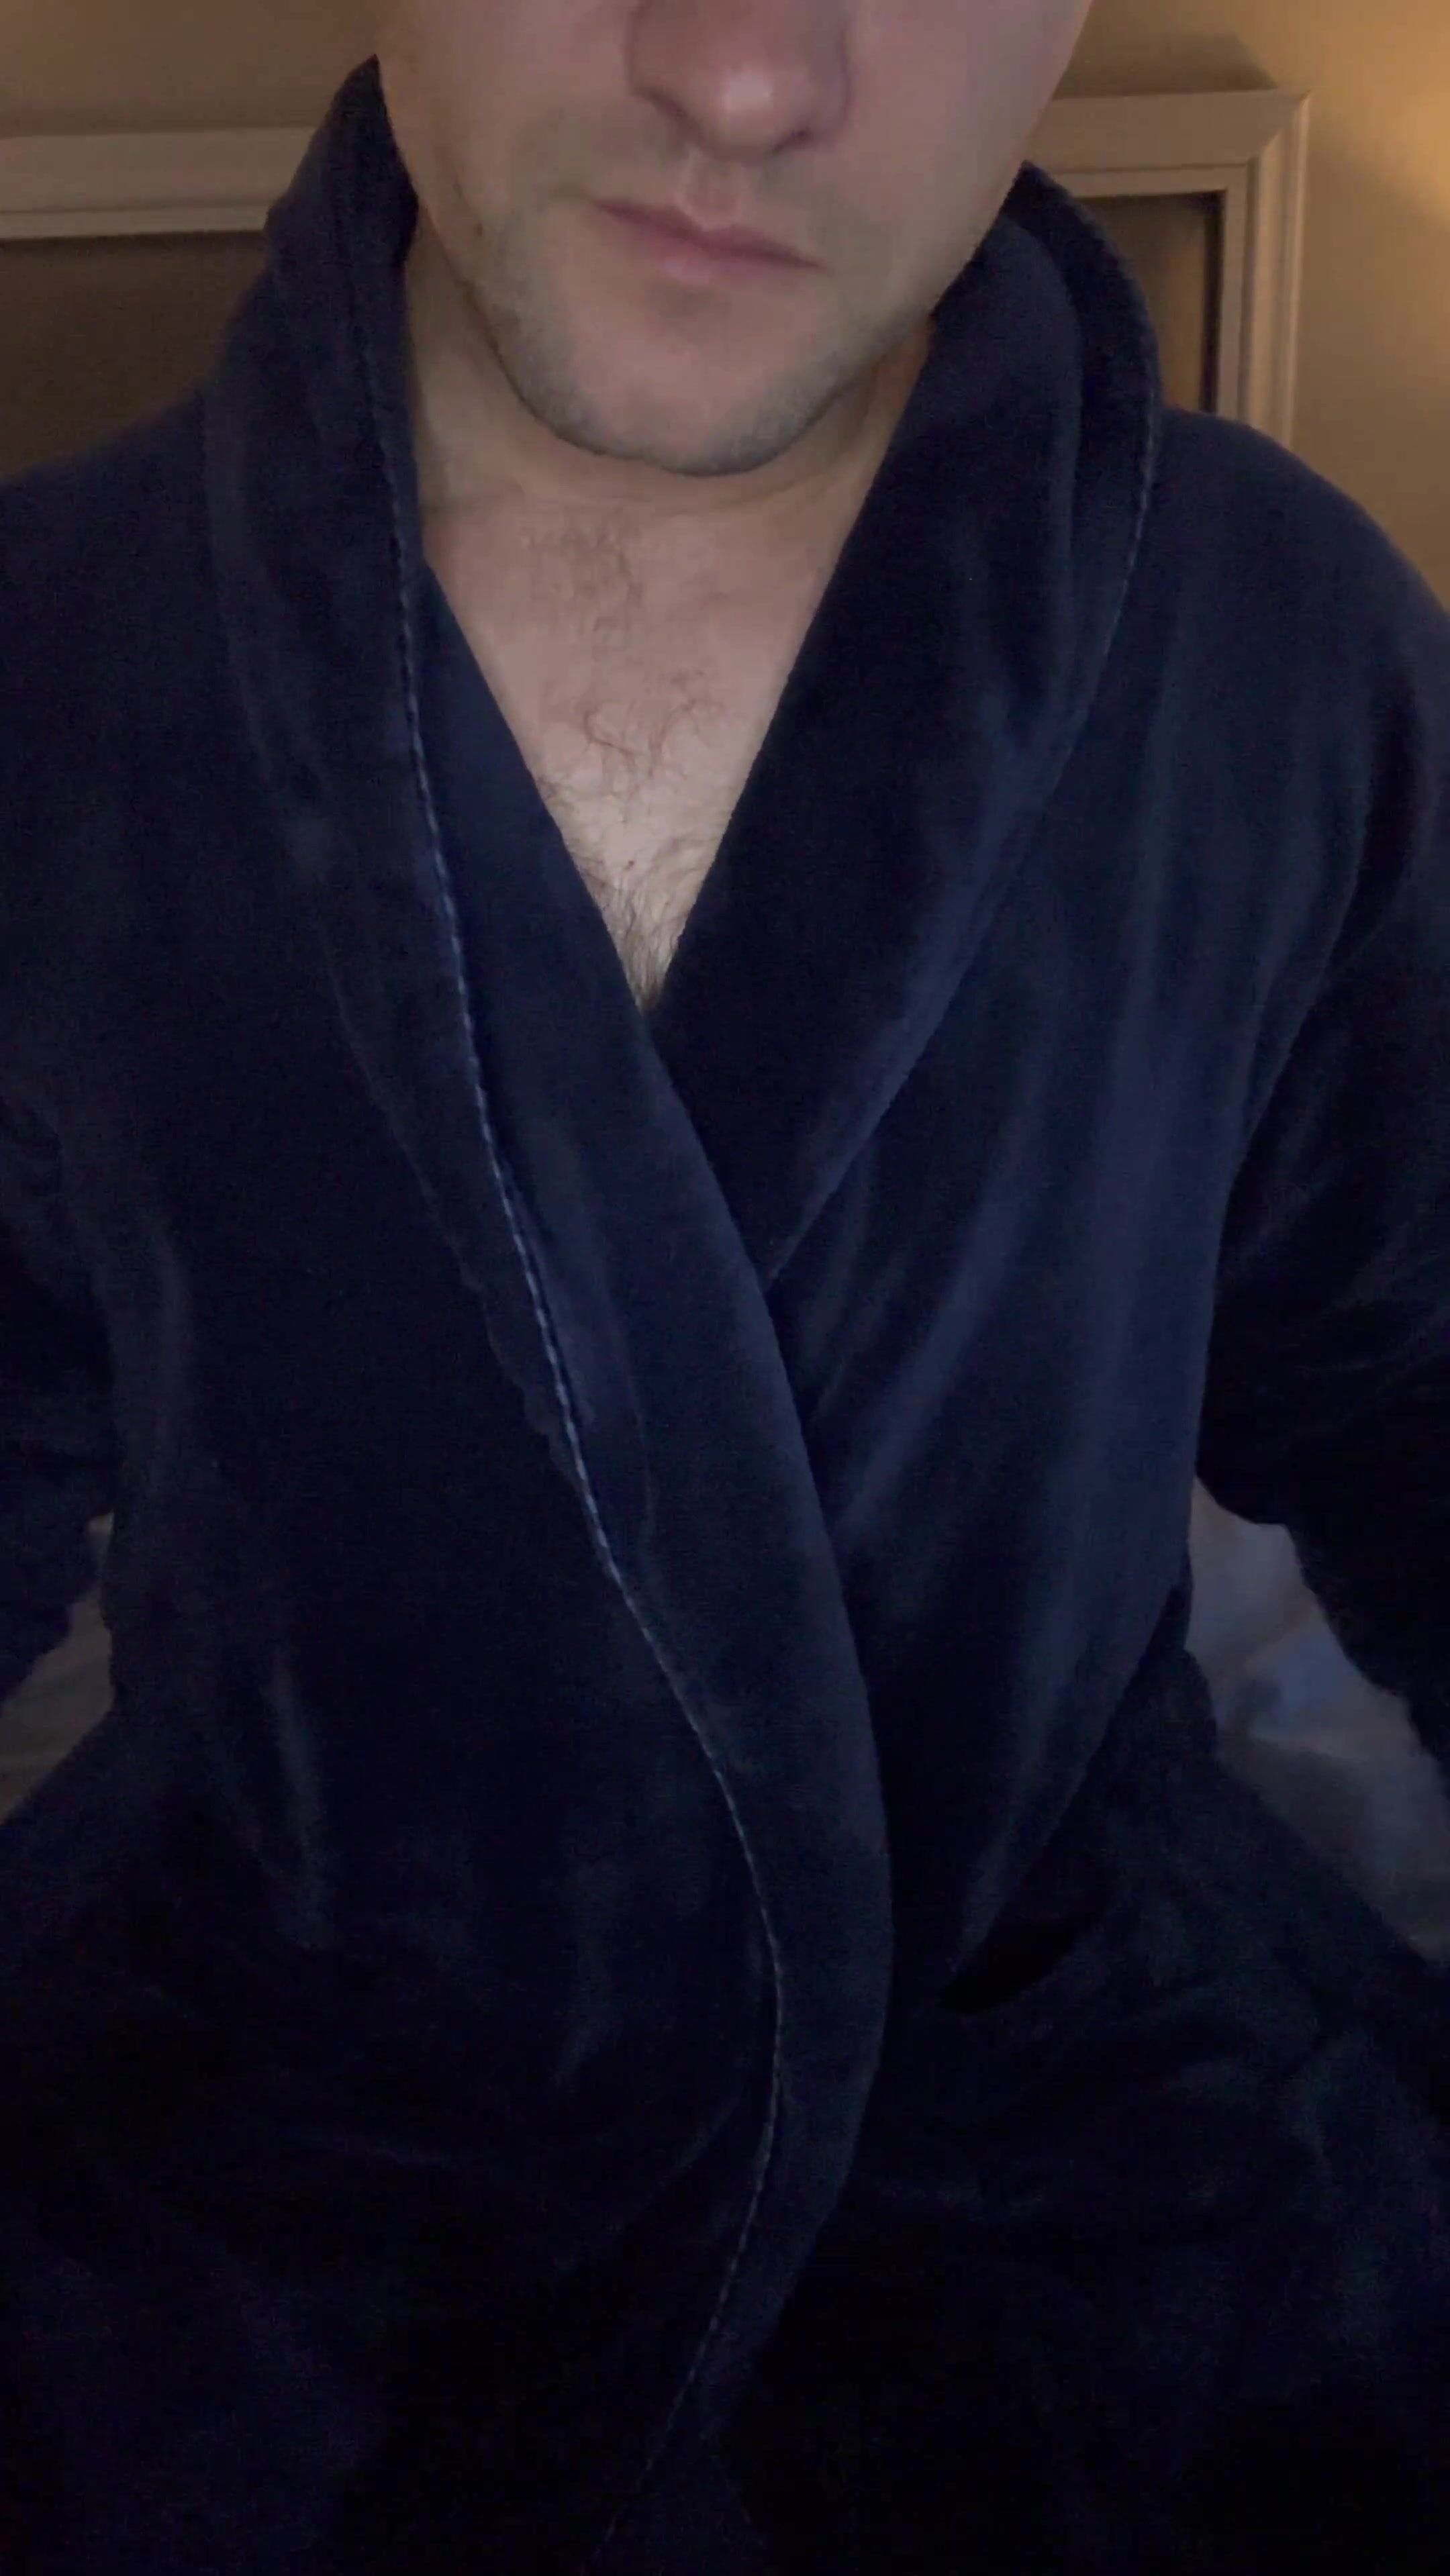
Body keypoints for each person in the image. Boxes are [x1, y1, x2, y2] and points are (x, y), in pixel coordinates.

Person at [1, 1, 1447, 2567]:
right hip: (241, 2200)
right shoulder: (40, 665)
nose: (753, 78)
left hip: (1102, 2191)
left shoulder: (1290, 647)